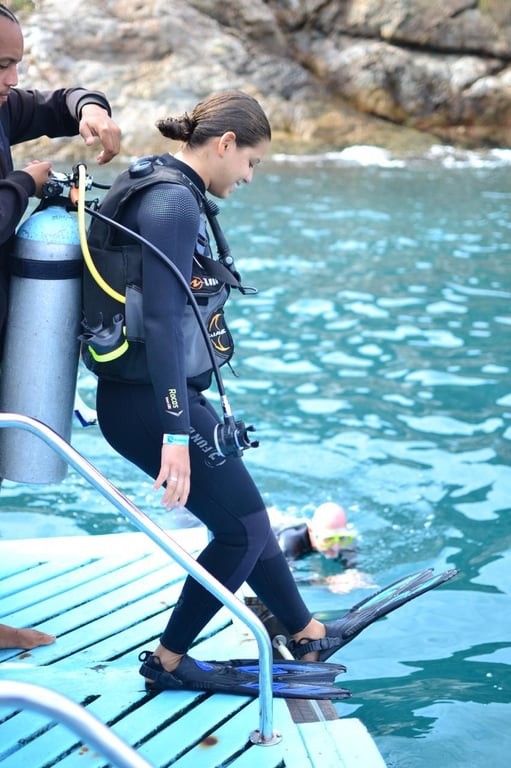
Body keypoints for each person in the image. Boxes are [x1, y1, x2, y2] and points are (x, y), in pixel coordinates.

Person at [81, 90, 360, 694]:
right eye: (251, 162)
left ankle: (306, 631)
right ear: (226, 143)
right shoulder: (174, 203)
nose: (250, 176)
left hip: (154, 392)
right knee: (242, 531)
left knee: (249, 517)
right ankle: (169, 662)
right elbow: (161, 321)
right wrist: (175, 434)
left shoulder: (161, 182)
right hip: (148, 404)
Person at [0, 2, 121, 651]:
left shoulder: (3, 107)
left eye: (17, 63)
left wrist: (90, 110)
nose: (12, 79)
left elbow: (56, 103)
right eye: (1, 64)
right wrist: (24, 181)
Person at [275, 501, 356, 561]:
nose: (336, 547)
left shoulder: (346, 540)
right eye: (328, 539)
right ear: (311, 532)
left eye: (341, 538)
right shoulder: (290, 544)